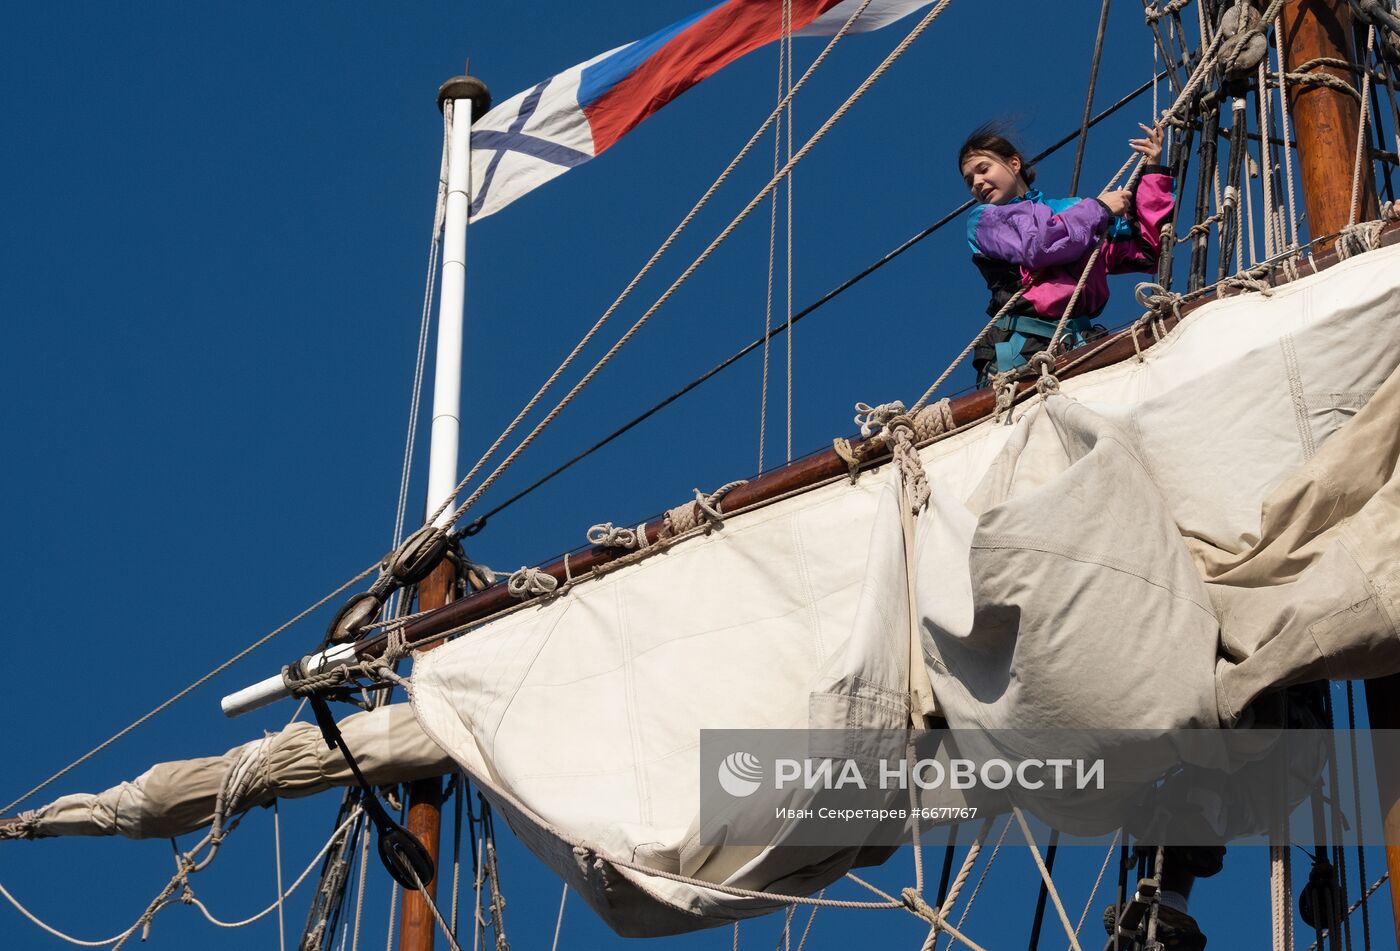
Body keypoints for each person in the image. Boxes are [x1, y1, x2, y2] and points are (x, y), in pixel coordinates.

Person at [959, 122, 1175, 384]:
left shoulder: (1074, 210)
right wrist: (1099, 209)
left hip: (1081, 349)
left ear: (1014, 164)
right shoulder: (984, 221)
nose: (977, 183)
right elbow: (1039, 245)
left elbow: (1145, 251)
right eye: (970, 180)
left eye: (983, 169)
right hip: (1024, 356)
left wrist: (1152, 170)